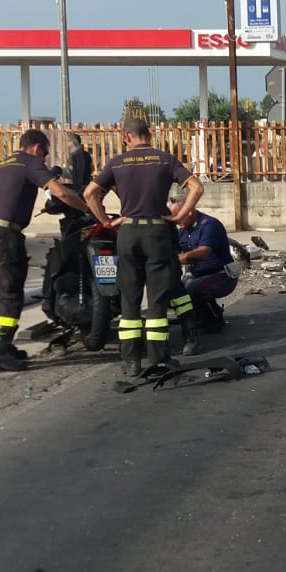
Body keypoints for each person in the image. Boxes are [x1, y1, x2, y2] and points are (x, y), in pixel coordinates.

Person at [84, 118, 203, 379]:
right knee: (158, 300)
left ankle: (132, 361)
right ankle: (158, 357)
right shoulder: (164, 159)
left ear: (126, 136)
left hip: (128, 232)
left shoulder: (117, 163)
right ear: (148, 135)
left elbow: (90, 193)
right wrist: (180, 214)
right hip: (158, 232)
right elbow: (197, 187)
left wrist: (105, 221)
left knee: (129, 299)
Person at [0, 129, 90, 372]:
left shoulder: (4, 162)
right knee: (11, 290)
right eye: (45, 153)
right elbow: (59, 192)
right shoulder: (29, 162)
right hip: (6, 233)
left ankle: (1, 343)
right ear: (37, 148)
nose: (45, 158)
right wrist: (86, 209)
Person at [175, 206, 238, 335]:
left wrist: (175, 258)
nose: (176, 221)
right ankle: (198, 316)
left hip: (221, 274)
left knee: (193, 288)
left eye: (178, 216)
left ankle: (213, 319)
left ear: (189, 211)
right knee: (177, 289)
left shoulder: (209, 225)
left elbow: (203, 252)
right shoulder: (183, 229)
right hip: (199, 274)